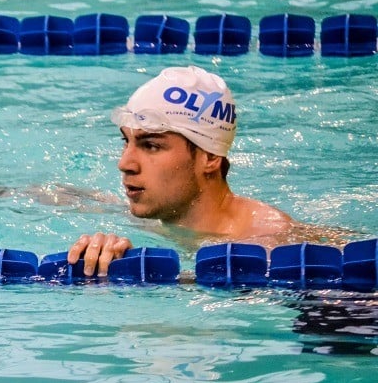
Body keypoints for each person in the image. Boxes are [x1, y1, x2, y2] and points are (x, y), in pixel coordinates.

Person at [68, 65, 317, 277]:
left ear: (209, 157)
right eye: (126, 141)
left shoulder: (274, 245)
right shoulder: (153, 219)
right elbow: (57, 196)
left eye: (151, 146)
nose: (125, 163)